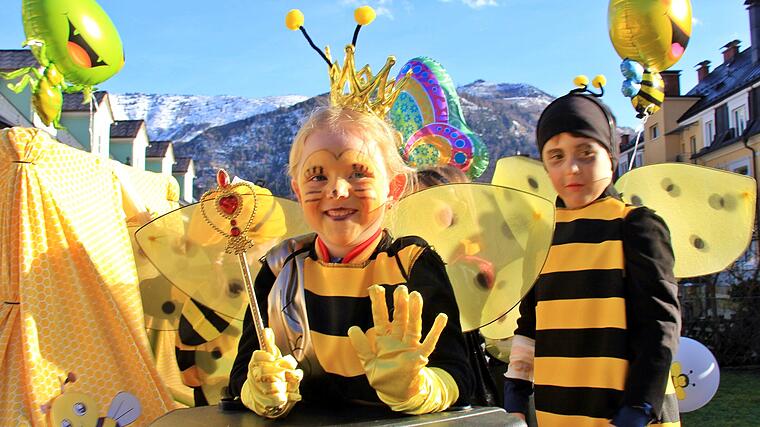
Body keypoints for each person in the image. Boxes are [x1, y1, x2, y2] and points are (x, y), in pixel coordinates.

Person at [228, 106, 474, 419]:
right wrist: (260, 390)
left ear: (393, 188)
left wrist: (417, 389)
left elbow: (457, 374)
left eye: (358, 173)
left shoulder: (411, 264)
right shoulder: (279, 267)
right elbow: (242, 372)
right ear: (298, 190)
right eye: (317, 176)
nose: (337, 189)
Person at [502, 90, 681, 427]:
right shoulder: (540, 236)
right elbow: (529, 325)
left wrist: (640, 407)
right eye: (556, 156)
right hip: (559, 412)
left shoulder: (636, 225)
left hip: (627, 413)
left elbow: (659, 327)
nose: (571, 168)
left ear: (610, 157)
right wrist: (515, 389)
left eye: (586, 153)